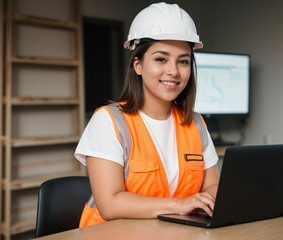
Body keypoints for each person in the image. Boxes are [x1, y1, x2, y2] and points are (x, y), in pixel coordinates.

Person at [74, 2, 220, 227]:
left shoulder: (196, 123)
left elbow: (211, 186)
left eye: (183, 61)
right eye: (161, 59)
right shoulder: (108, 121)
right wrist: (179, 205)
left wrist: (218, 200)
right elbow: (110, 204)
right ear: (138, 65)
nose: (173, 71)